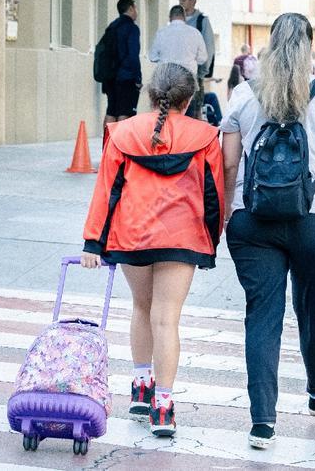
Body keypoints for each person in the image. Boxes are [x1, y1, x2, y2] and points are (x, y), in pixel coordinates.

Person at [220, 12, 315, 450]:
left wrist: (222, 217)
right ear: (309, 49)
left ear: (269, 46)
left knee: (262, 314)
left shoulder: (243, 96)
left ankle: (263, 423)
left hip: (253, 221)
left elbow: (229, 165)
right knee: (314, 308)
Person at [81, 62, 223, 439]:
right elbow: (215, 195)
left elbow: (106, 189)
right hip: (183, 237)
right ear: (189, 99)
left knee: (141, 308)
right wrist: (211, 239)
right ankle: (163, 405)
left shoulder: (123, 133)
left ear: (149, 94)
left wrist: (93, 242)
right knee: (167, 319)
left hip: (133, 234)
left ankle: (140, 387)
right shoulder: (206, 136)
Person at [149, 5, 208, 98]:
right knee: (186, 111)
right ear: (184, 17)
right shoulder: (195, 33)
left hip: (165, 80)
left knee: (166, 108)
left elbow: (152, 57)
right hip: (188, 79)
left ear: (169, 17)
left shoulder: (161, 32)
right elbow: (203, 58)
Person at [102, 0, 143, 131]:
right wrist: (138, 78)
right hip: (126, 77)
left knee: (111, 110)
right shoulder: (132, 28)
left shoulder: (112, 26)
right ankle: (122, 147)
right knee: (124, 112)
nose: (136, 11)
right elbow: (133, 55)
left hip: (110, 77)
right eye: (135, 8)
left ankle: (107, 145)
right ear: (130, 8)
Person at [179, 0, 215, 119]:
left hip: (195, 74)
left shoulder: (201, 21)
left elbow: (209, 47)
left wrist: (202, 73)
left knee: (195, 111)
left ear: (193, 1)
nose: (181, 2)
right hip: (177, 75)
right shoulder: (177, 21)